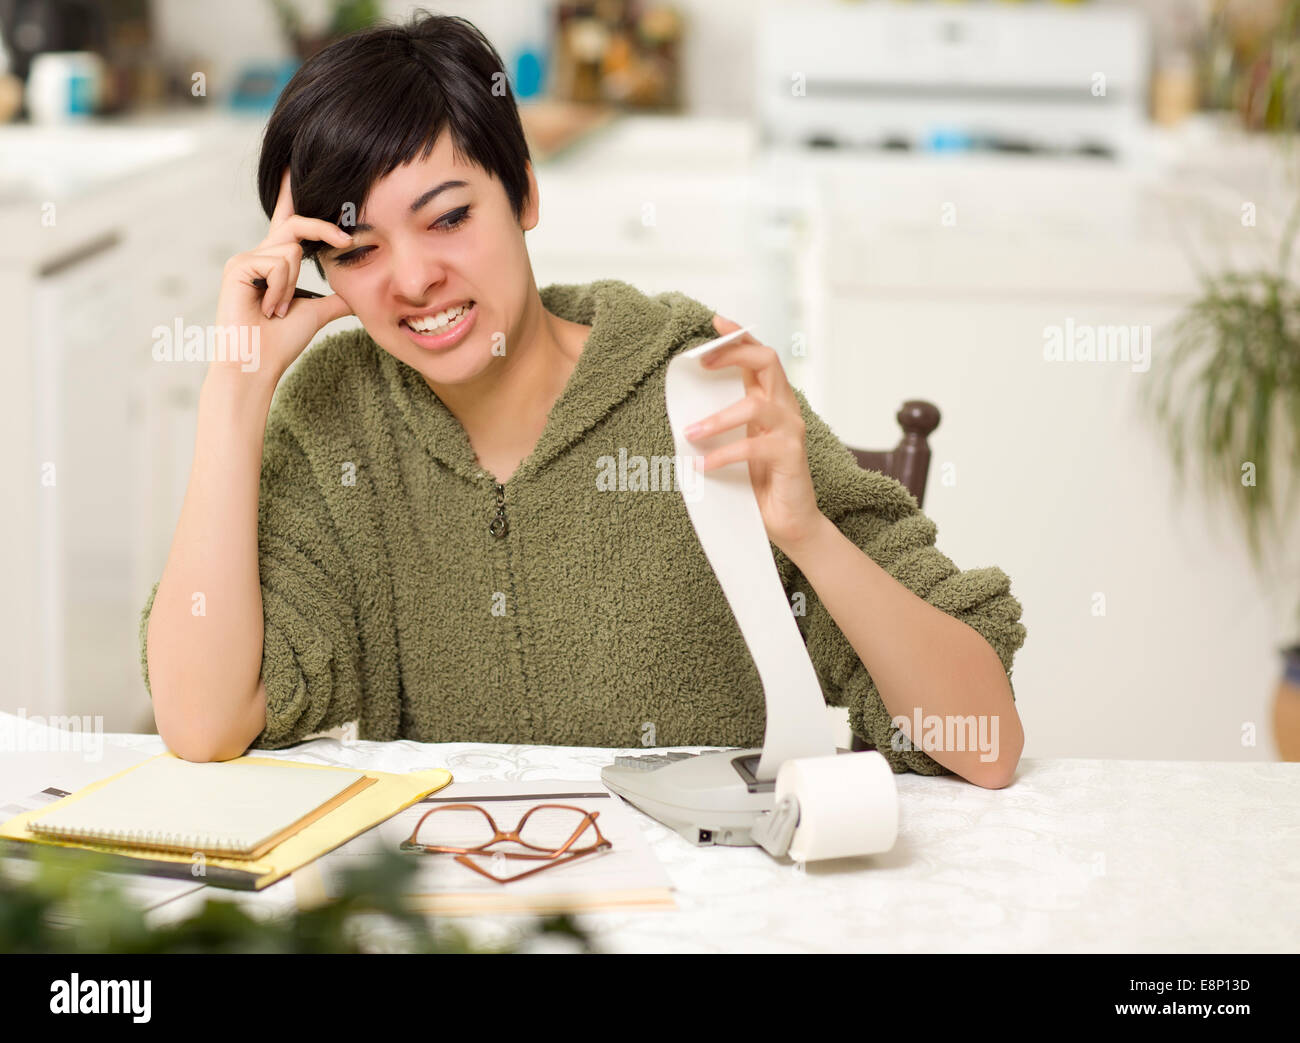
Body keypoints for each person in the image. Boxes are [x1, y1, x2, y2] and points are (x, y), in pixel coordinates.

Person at [139, 10, 1027, 787]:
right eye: (358, 250)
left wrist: (807, 533)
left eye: (448, 217)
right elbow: (203, 722)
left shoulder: (693, 379)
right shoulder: (337, 415)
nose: (413, 278)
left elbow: (982, 743)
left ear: (524, 191)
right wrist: (237, 388)